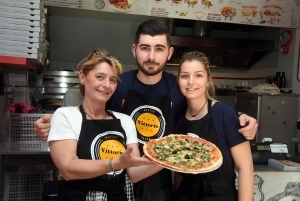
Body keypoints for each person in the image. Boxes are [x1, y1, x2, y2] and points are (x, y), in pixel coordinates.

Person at [34, 19, 258, 200]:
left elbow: (203, 108)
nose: (151, 57)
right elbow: (92, 113)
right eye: (145, 48)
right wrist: (56, 125)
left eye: (159, 49)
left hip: (160, 182)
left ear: (169, 53)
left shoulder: (178, 87)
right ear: (134, 50)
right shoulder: (118, 84)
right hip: (119, 182)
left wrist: (239, 117)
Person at [48, 49, 162, 200]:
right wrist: (114, 163)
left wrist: (169, 161)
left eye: (113, 80)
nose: (107, 85)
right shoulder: (66, 116)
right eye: (100, 77)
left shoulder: (125, 121)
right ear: (82, 77)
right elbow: (68, 169)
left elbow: (134, 174)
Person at [173, 51, 254, 201]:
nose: (191, 82)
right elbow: (179, 168)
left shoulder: (225, 114)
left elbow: (245, 168)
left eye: (198, 75)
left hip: (220, 196)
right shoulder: (178, 116)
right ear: (178, 80)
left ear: (208, 80)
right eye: (185, 76)